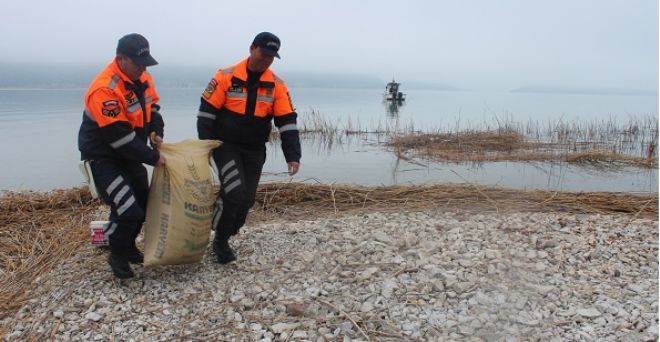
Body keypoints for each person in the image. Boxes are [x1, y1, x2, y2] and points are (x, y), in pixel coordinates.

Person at [197, 32, 301, 264]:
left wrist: (293, 156)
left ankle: (225, 228)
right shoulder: (225, 75)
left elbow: (287, 123)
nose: (266, 60)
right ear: (252, 48)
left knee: (246, 200)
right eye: (264, 54)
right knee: (234, 192)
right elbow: (205, 113)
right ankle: (220, 241)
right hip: (225, 146)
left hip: (254, 149)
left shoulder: (277, 85)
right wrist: (204, 145)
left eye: (271, 57)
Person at [78, 33, 166, 279]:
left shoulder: (143, 76)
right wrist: (153, 157)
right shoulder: (104, 89)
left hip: (130, 154)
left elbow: (153, 107)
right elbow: (118, 137)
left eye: (146, 63)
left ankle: (127, 247)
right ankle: (117, 254)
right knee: (128, 210)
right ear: (120, 59)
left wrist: (156, 130)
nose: (143, 68)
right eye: (138, 63)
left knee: (144, 204)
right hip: (103, 158)